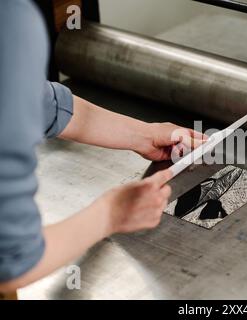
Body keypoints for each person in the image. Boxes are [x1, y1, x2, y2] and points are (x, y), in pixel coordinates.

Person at [0, 0, 205, 293]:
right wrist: (111, 215)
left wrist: (144, 135)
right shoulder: (11, 20)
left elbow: (38, 102)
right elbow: (13, 261)